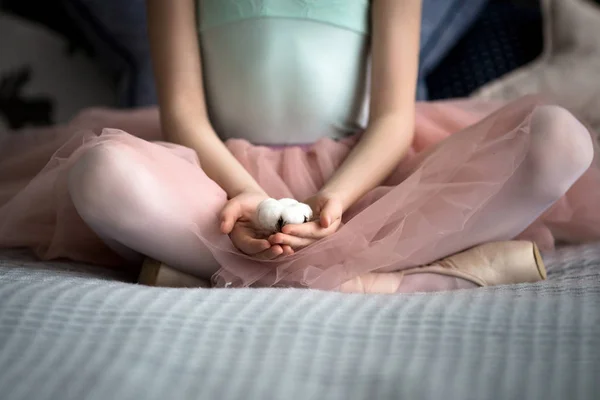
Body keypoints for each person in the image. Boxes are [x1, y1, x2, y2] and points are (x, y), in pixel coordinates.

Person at [1, 0, 599, 293]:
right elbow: (183, 114)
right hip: (221, 180)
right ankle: (409, 275)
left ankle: (202, 271)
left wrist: (334, 201)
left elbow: (392, 120)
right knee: (99, 173)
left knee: (559, 141)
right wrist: (245, 197)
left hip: (364, 174)